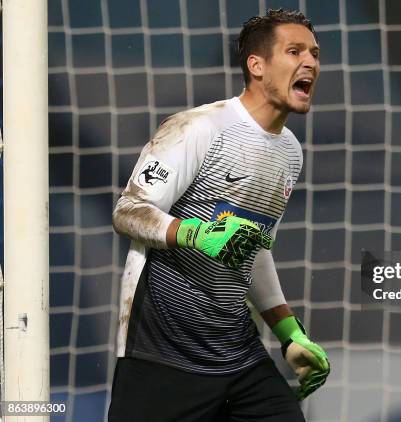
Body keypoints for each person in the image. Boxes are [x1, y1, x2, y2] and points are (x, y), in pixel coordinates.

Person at [108, 9, 329, 422]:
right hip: (162, 351)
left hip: (237, 355)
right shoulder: (198, 127)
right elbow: (129, 211)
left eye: (315, 54)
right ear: (256, 65)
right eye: (295, 51)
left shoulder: (290, 152)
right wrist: (195, 234)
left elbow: (252, 251)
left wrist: (289, 333)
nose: (311, 63)